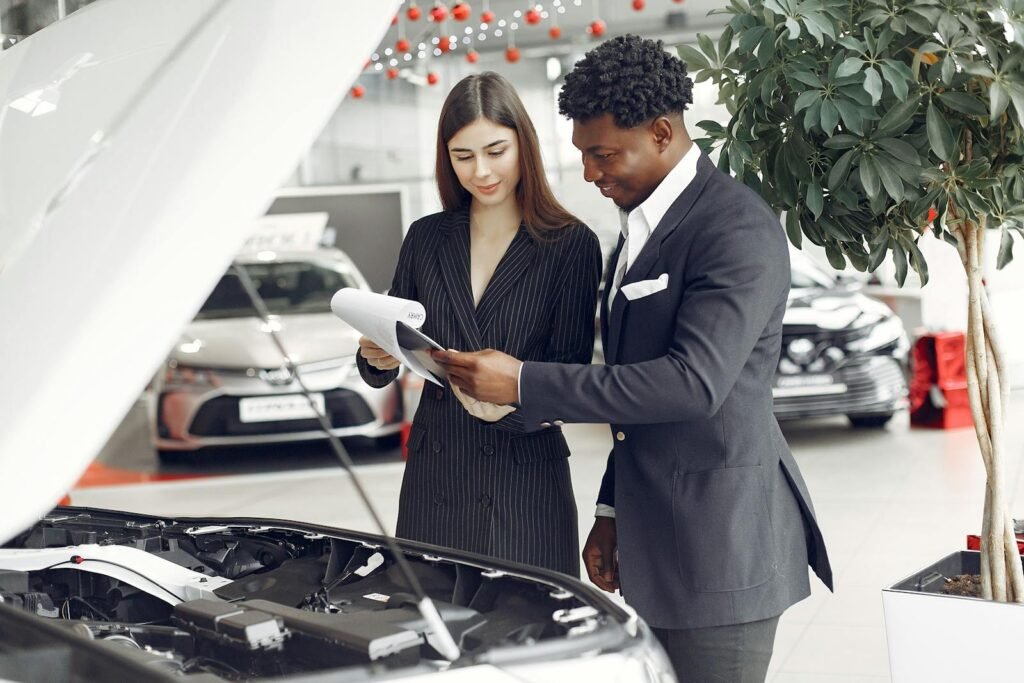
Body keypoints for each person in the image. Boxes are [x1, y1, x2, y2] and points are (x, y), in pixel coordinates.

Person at [432, 36, 832, 682]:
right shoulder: (636, 231)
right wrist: (612, 511)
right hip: (657, 544)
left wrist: (525, 381)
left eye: (602, 154)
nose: (590, 173)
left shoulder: (735, 229)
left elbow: (691, 382)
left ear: (664, 132)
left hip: (721, 549)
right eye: (584, 156)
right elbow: (633, 397)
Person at [356, 72, 602, 576]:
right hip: (436, 478)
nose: (481, 171)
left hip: (523, 482)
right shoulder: (426, 238)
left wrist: (505, 407)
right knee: (438, 640)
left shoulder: (570, 244)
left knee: (530, 638)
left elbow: (570, 377)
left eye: (496, 151)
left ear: (524, 146)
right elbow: (395, 345)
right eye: (463, 157)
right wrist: (374, 358)